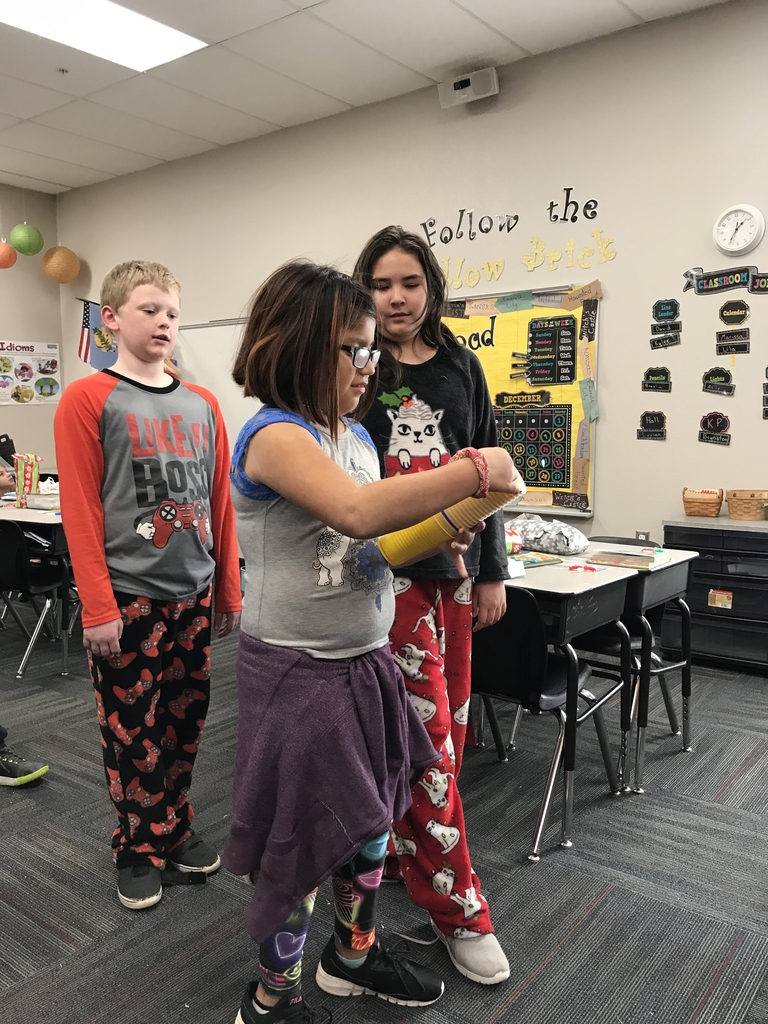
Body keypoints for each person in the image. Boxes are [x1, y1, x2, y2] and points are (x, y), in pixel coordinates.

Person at [222, 261, 522, 1024]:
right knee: (300, 848)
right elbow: (357, 513)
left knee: (370, 822)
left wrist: (448, 528)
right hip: (297, 674)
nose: (370, 364)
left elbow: (368, 550)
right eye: (353, 350)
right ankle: (271, 997)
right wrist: (471, 468)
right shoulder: (273, 435)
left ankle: (349, 956)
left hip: (364, 662)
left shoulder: (354, 435)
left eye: (369, 350)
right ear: (296, 345)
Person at [54, 261, 241, 911]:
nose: (164, 322)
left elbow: (220, 505)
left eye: (172, 313)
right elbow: (79, 510)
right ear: (111, 318)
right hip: (128, 598)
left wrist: (231, 592)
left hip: (193, 593)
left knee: (185, 721)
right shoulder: (88, 399)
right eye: (149, 310)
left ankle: (174, 825)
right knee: (133, 726)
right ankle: (136, 844)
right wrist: (98, 606)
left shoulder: (204, 404)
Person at [354, 225, 511, 986]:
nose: (395, 298)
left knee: (440, 728)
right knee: (432, 750)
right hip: (390, 579)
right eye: (381, 285)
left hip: (455, 579)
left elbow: (491, 473)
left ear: (430, 287)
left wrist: (491, 572)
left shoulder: (460, 367)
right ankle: (458, 907)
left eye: (408, 283)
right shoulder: (354, 368)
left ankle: (381, 849)